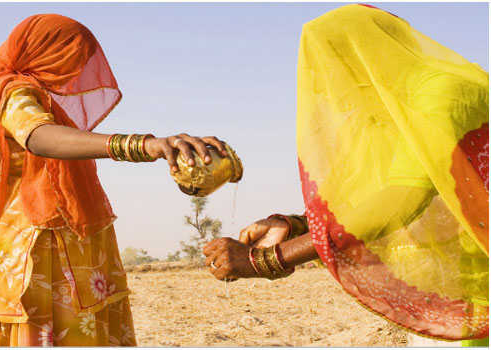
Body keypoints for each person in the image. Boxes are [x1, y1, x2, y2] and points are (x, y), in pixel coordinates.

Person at [203, 4, 489, 344]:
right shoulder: (389, 112)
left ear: (364, 53)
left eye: (331, 66)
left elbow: (402, 199)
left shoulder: (443, 93)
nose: (325, 89)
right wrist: (292, 225)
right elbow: (368, 199)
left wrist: (267, 260)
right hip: (466, 288)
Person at [0, 14, 228, 346]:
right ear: (43, 50)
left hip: (72, 249)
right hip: (38, 253)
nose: (75, 68)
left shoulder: (37, 96)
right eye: (70, 55)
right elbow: (37, 135)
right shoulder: (12, 91)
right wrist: (141, 145)